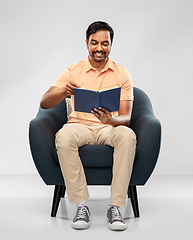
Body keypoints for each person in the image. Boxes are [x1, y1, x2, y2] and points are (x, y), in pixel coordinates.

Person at [40, 21, 136, 231]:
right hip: (79, 125)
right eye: (94, 43)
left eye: (105, 43)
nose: (99, 48)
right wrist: (64, 91)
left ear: (111, 44)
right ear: (86, 43)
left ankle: (116, 207)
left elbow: (126, 117)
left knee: (127, 135)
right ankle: (81, 205)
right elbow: (44, 102)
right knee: (63, 137)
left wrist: (112, 120)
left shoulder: (122, 74)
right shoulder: (73, 71)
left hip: (109, 128)